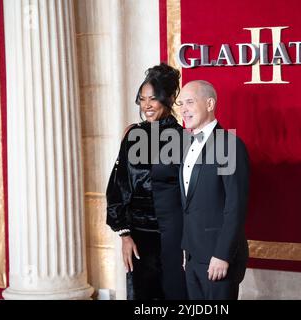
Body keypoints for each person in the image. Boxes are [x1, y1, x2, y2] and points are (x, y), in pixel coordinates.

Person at [106, 63, 187, 300]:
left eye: (153, 98)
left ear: (170, 98)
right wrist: (124, 235)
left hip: (174, 233)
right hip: (139, 235)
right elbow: (118, 184)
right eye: (142, 99)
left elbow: (190, 193)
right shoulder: (132, 135)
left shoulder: (185, 138)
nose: (147, 105)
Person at [177, 80, 250, 300]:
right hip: (192, 256)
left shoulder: (229, 144)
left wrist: (222, 255)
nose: (183, 109)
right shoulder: (186, 145)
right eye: (180, 103)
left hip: (218, 258)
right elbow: (190, 205)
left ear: (210, 104)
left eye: (190, 102)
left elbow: (235, 206)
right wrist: (186, 248)